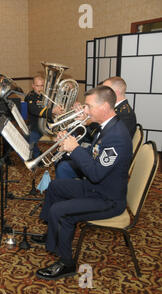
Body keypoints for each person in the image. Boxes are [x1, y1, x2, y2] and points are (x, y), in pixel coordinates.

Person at [31, 86, 132, 280]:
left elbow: (95, 173)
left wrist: (74, 149)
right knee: (54, 187)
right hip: (97, 187)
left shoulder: (117, 137)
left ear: (104, 107)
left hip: (107, 199)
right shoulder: (108, 126)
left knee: (61, 211)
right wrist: (70, 144)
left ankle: (66, 263)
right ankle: (52, 233)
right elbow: (95, 157)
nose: (85, 110)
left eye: (88, 106)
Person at [55, 76, 137, 179]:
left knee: (63, 166)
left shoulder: (125, 116)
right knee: (63, 158)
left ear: (114, 93)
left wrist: (88, 123)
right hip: (96, 150)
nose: (100, 92)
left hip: (106, 166)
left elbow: (103, 140)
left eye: (105, 90)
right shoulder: (115, 110)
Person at [25, 75, 64, 159]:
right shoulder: (30, 96)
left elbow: (54, 107)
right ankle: (37, 156)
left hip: (49, 123)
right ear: (33, 86)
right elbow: (34, 110)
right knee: (32, 140)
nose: (40, 88)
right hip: (36, 126)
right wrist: (52, 111)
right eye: (37, 86)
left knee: (65, 135)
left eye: (42, 86)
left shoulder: (47, 95)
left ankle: (58, 155)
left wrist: (59, 109)